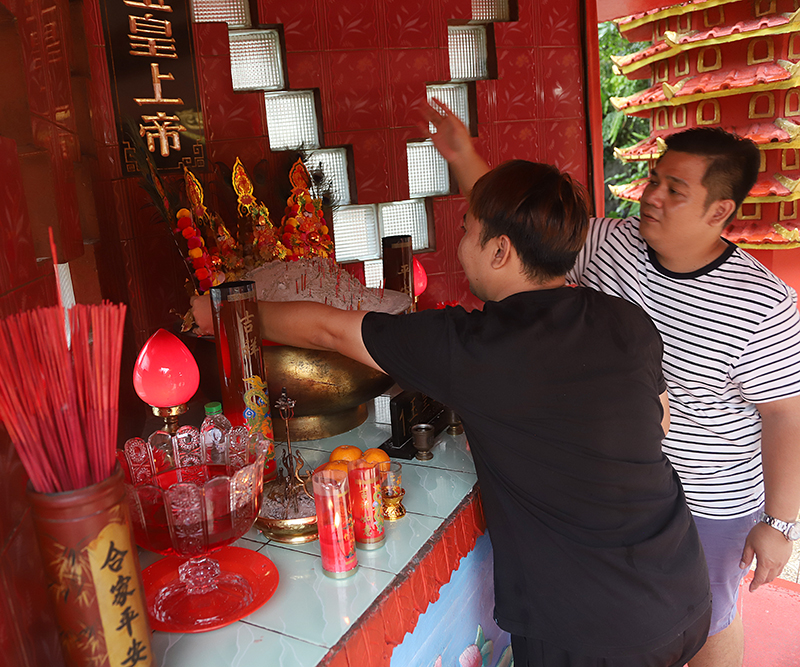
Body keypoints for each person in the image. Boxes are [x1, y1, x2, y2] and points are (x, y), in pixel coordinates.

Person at [193, 159, 711, 666]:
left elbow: (330, 329)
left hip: (589, 632)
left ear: (501, 249)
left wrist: (225, 310)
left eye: (467, 231)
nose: (461, 248)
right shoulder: (623, 317)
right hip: (682, 588)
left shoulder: (474, 346)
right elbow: (658, 425)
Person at [423, 102, 800, 667]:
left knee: (708, 621)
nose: (651, 196)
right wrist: (463, 156)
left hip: (709, 499)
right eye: (654, 178)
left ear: (720, 209)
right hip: (618, 493)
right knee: (635, 633)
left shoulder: (762, 302)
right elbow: (518, 229)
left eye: (675, 189)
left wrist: (779, 523)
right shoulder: (610, 244)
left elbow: (784, 417)